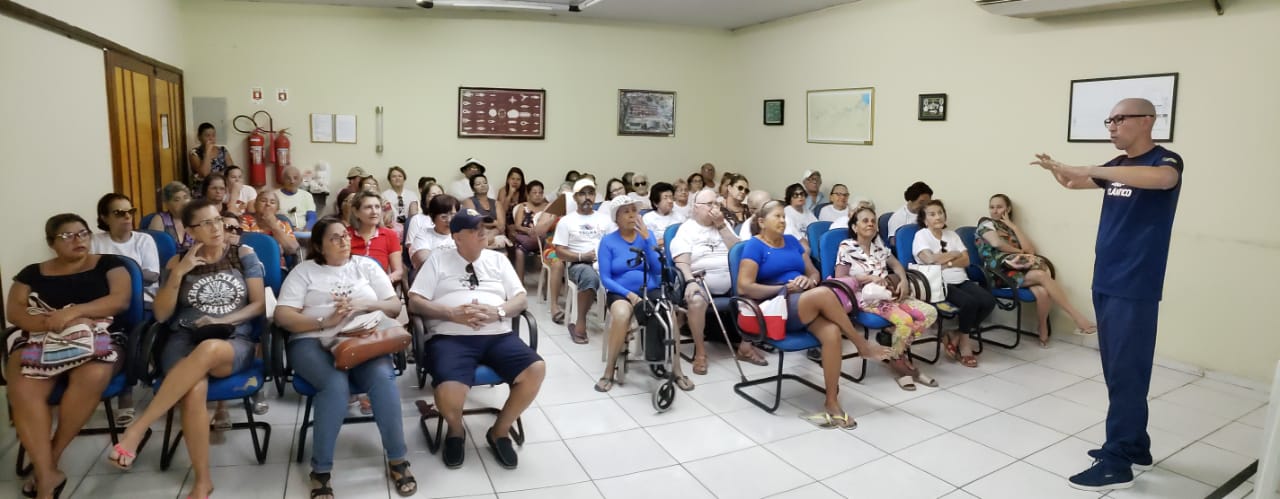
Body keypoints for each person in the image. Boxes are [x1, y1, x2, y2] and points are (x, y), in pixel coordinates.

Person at [1031, 97, 1183, 491]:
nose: (1112, 126)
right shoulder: (1116, 166)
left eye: (1119, 119)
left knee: (1127, 371)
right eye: (1109, 120)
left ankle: (1117, 462)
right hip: (1107, 278)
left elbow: (1164, 180)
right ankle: (1135, 445)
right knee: (1118, 369)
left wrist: (1090, 168)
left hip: (1135, 283)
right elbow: (1073, 183)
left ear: (1147, 120)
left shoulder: (1164, 161)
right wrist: (1058, 170)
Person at [107, 199, 266, 499]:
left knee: (208, 350)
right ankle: (202, 481)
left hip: (233, 339)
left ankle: (138, 428)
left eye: (217, 220)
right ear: (190, 231)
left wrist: (222, 319)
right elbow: (162, 314)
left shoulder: (243, 254)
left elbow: (259, 305)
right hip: (183, 338)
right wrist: (180, 273)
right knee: (193, 390)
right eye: (205, 223)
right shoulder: (176, 262)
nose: (215, 228)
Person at [274, 217, 416, 498]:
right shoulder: (304, 272)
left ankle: (398, 458)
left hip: (361, 339)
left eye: (345, 236)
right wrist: (325, 321)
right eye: (335, 238)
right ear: (319, 246)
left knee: (383, 377)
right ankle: (321, 470)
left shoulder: (365, 266)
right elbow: (283, 316)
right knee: (334, 385)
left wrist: (364, 304)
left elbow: (393, 307)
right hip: (312, 340)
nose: (344, 241)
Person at [408, 209, 546, 470]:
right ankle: (456, 431)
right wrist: (451, 313)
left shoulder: (498, 260)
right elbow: (415, 302)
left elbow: (520, 299)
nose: (482, 232)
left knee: (536, 369)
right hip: (451, 337)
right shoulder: (438, 261)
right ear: (457, 237)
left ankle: (499, 432)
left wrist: (498, 312)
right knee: (449, 390)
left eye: (483, 226)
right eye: (473, 229)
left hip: (498, 335)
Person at [738, 200, 890, 429]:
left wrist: (808, 280)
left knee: (831, 332)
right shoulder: (754, 246)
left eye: (783, 216)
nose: (782, 220)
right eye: (777, 216)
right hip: (775, 308)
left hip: (803, 303)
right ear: (761, 222)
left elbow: (814, 273)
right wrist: (783, 288)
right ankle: (861, 344)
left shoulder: (791, 242)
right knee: (824, 294)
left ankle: (831, 401)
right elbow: (744, 287)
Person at [8, 214, 130, 499]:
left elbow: (119, 300)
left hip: (100, 335)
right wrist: (49, 324)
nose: (78, 240)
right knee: (24, 386)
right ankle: (48, 475)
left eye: (83, 233)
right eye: (67, 236)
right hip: (42, 337)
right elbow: (15, 311)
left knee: (94, 373)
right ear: (51, 243)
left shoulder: (110, 264)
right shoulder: (31, 273)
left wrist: (73, 313)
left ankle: (49, 460)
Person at [835, 206, 938, 390]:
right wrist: (868, 278)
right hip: (867, 297)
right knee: (905, 321)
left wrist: (903, 281)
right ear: (855, 227)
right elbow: (840, 278)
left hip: (889, 293)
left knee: (930, 313)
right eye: (865, 221)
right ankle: (901, 366)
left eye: (873, 221)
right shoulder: (847, 247)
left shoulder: (879, 247)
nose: (870, 224)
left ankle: (895, 353)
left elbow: (897, 266)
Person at [595, 196, 692, 391]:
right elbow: (605, 278)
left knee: (669, 313)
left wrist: (647, 239)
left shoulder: (646, 236)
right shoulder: (608, 242)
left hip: (650, 287)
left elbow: (657, 269)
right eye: (626, 211)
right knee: (621, 314)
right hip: (620, 291)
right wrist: (629, 295)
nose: (632, 215)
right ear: (616, 218)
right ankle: (609, 369)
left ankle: (677, 369)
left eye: (634, 210)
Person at [975, 194, 1097, 347]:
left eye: (999, 207)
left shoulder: (1010, 228)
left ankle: (1043, 327)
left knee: (1042, 290)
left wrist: (1014, 227)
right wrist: (1020, 252)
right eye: (992, 207)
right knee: (1041, 276)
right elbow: (996, 243)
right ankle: (1078, 318)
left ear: (1008, 209)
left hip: (1015, 271)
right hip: (997, 274)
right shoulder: (985, 224)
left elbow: (1030, 251)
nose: (994, 210)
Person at [671, 188, 767, 372]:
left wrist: (721, 225)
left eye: (716, 203)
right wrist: (690, 281)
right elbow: (682, 262)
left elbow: (739, 252)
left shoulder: (724, 224)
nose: (714, 208)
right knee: (696, 301)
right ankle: (700, 352)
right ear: (696, 207)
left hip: (731, 279)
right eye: (709, 204)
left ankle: (746, 346)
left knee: (756, 288)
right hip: (701, 279)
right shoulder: (687, 229)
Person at [912, 200, 993, 368]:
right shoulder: (922, 235)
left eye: (940, 213)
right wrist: (954, 254)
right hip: (938, 283)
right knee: (970, 303)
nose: (938, 217)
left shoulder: (952, 235)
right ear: (925, 220)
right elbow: (930, 259)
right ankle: (965, 345)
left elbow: (966, 260)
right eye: (932, 214)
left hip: (960, 279)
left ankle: (957, 334)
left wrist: (946, 262)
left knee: (988, 301)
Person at [550, 179, 614, 343]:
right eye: (582, 194)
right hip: (578, 263)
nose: (587, 198)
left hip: (604, 262)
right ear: (575, 197)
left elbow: (614, 243)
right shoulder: (566, 221)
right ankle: (580, 322)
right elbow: (559, 251)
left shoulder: (605, 220)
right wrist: (581, 256)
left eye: (590, 193)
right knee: (589, 276)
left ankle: (623, 325)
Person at [93, 193, 160, 301]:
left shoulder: (144, 240)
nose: (128, 216)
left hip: (140, 298)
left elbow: (152, 277)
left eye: (131, 211)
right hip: (103, 298)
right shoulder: (94, 241)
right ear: (105, 218)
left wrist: (111, 275)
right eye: (119, 213)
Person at [348, 191, 404, 284]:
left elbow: (398, 272)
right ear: (356, 212)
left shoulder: (390, 235)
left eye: (377, 207)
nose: (374, 212)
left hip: (380, 285)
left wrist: (385, 280)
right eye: (368, 207)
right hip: (351, 285)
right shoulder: (345, 235)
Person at [509, 181, 554, 279]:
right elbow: (517, 226)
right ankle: (520, 283)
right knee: (519, 251)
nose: (538, 195)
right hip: (526, 238)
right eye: (534, 192)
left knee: (550, 247)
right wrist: (528, 231)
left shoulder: (548, 207)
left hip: (544, 238)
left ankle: (548, 283)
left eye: (540, 192)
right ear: (528, 194)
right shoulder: (523, 206)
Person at [243, 190, 301, 265]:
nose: (268, 204)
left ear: (277, 208)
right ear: (255, 205)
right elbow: (243, 244)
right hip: (251, 264)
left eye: (272, 202)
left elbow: (293, 249)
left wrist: (273, 226)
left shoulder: (284, 224)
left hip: (277, 266)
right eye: (263, 201)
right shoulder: (245, 220)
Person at [409, 194, 459, 270]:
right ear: (432, 217)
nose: (449, 220)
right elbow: (425, 263)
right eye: (444, 217)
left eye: (453, 215)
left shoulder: (462, 234)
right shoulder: (423, 235)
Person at [188, 122, 235, 198]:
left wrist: (215, 175)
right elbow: (204, 174)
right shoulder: (194, 153)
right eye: (207, 135)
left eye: (213, 135)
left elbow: (231, 171)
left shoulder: (222, 150)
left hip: (222, 188)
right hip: (202, 190)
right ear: (199, 137)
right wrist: (208, 152)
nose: (211, 138)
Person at [148, 182, 195, 251]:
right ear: (167, 204)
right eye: (177, 200)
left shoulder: (196, 217)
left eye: (186, 197)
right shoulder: (160, 220)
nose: (184, 203)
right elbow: (153, 250)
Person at [887, 181, 934, 245]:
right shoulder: (898, 217)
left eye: (927, 203)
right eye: (921, 202)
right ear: (911, 199)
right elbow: (893, 243)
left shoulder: (929, 213)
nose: (924, 206)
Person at [642, 182, 683, 247]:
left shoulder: (680, 217)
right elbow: (647, 242)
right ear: (655, 203)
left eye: (671, 197)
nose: (670, 201)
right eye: (665, 198)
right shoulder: (648, 218)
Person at [495, 167, 528, 236]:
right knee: (511, 231)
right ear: (508, 180)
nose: (515, 182)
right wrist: (510, 195)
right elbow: (502, 212)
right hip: (507, 221)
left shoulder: (526, 190)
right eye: (513, 179)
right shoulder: (503, 191)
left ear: (522, 181)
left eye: (518, 179)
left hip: (523, 220)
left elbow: (531, 207)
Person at [783, 183, 817, 247]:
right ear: (790, 198)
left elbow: (816, 227)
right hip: (797, 244)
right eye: (795, 195)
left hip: (812, 243)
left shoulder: (807, 211)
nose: (800, 197)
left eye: (802, 194)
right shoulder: (786, 212)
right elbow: (791, 233)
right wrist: (804, 242)